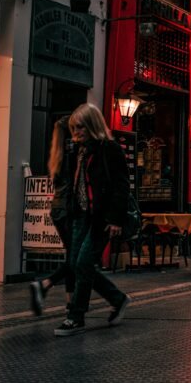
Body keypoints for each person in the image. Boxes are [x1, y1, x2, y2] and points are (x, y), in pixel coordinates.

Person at [53, 103, 131, 337]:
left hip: (101, 218)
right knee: (78, 265)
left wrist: (115, 219)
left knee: (83, 263)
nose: (76, 133)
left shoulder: (109, 149)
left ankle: (76, 316)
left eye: (80, 128)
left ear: (92, 126)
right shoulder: (78, 151)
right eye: (73, 128)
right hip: (79, 216)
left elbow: (121, 186)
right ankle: (117, 298)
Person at [29, 117, 76, 315]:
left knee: (72, 255)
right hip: (69, 208)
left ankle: (70, 299)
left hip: (57, 208)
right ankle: (45, 285)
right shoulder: (71, 153)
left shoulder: (56, 154)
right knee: (75, 257)